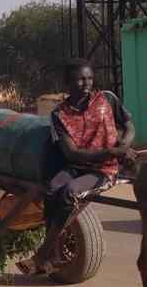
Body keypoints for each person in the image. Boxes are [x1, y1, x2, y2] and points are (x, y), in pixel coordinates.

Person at [17, 59, 135, 275]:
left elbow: (128, 125)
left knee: (69, 193)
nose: (86, 83)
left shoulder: (107, 99)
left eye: (89, 78)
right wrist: (112, 151)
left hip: (104, 169)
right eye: (80, 79)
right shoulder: (59, 115)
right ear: (68, 83)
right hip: (77, 164)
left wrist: (123, 146)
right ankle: (54, 252)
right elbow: (71, 153)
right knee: (51, 190)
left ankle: (44, 253)